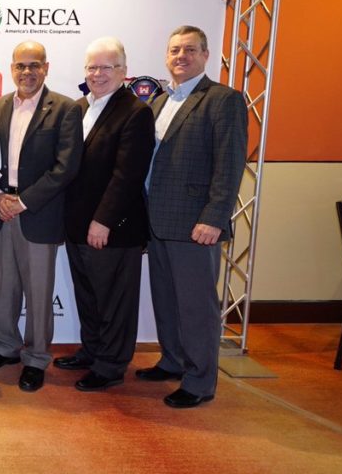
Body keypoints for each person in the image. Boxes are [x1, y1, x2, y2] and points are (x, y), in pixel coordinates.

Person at [140, 25, 248, 408]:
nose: (180, 56)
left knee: (197, 306)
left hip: (195, 225)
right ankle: (172, 360)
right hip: (157, 221)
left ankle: (200, 382)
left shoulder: (223, 100)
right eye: (174, 50)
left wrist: (215, 217)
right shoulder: (158, 102)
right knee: (167, 300)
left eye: (189, 50)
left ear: (205, 55)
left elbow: (230, 164)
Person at [0, 41, 83, 393]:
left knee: (38, 294)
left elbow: (66, 168)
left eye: (34, 65)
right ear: (11, 68)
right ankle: (6, 347)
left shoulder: (65, 109)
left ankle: (36, 358)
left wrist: (24, 201)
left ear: (46, 68)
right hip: (0, 209)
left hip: (38, 213)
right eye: (21, 65)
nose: (27, 72)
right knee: (2, 287)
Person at [57, 37, 155, 392]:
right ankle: (93, 350)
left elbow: (127, 175)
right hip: (78, 225)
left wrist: (104, 221)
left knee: (114, 299)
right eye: (92, 67)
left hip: (112, 228)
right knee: (89, 294)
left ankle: (111, 366)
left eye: (106, 67)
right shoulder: (82, 107)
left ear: (124, 72)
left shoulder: (136, 112)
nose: (97, 74)